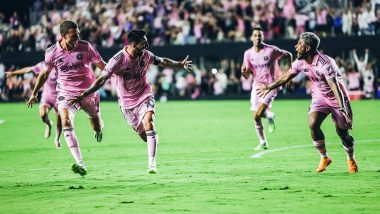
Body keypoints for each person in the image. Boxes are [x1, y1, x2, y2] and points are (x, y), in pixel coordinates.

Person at [68, 29, 192, 174]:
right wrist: (85, 93)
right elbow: (102, 79)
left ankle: (152, 165)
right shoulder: (118, 59)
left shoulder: (146, 55)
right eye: (143, 43)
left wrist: (179, 64)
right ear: (133, 44)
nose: (146, 45)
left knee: (149, 122)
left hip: (144, 95)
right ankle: (153, 139)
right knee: (145, 137)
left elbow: (162, 60)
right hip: (127, 104)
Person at [257, 32, 358, 173]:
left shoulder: (325, 63)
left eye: (299, 44)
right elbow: (286, 76)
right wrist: (269, 87)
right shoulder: (300, 62)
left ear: (307, 48)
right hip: (319, 97)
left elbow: (335, 87)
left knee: (342, 133)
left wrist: (342, 107)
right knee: (313, 123)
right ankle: (324, 157)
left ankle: (351, 158)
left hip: (337, 97)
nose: (296, 46)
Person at [27, 20, 107, 176]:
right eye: (73, 36)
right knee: (66, 121)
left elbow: (102, 65)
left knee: (96, 126)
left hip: (88, 92)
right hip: (66, 93)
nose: (77, 38)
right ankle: (80, 163)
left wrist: (119, 73)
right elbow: (44, 74)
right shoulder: (52, 52)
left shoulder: (86, 47)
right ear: (63, 36)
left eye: (78, 34)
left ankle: (99, 130)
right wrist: (34, 93)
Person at [241, 27, 292, 150]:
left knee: (256, 115)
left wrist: (289, 76)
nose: (258, 37)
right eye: (255, 35)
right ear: (251, 38)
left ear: (263, 37)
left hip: (271, 86)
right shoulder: (248, 54)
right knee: (257, 115)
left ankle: (264, 138)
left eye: (260, 35)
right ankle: (263, 139)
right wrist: (243, 72)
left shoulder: (271, 50)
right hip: (257, 86)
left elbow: (288, 55)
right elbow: (247, 75)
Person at [6, 61, 62, 148]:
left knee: (59, 121)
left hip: (59, 97)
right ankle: (48, 124)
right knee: (43, 115)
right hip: (47, 96)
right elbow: (29, 69)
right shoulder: (42, 65)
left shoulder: (61, 64)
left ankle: (57, 139)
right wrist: (13, 72)